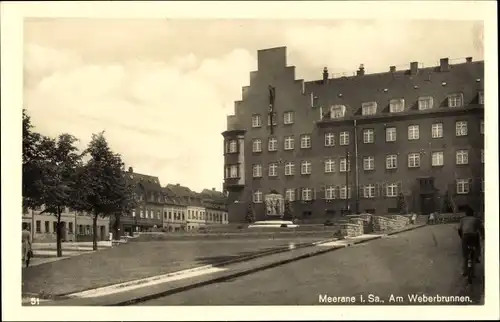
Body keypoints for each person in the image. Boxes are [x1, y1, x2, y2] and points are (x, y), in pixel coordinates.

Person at [458, 207, 484, 276]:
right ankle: (477, 256)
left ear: (466, 214)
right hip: (474, 236)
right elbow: (481, 229)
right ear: (473, 214)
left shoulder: (462, 219)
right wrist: (483, 236)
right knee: (477, 244)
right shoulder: (476, 219)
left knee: (465, 254)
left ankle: (464, 271)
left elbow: (459, 230)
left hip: (465, 236)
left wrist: (462, 237)